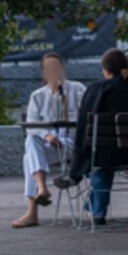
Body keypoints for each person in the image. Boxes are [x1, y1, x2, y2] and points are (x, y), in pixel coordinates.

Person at [67, 48, 128, 225]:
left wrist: (77, 162)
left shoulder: (97, 90)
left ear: (105, 70)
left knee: (101, 165)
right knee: (104, 159)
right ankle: (93, 208)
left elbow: (84, 124)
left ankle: (98, 212)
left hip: (104, 154)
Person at [11, 51, 86, 229]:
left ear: (62, 69)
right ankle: (42, 188)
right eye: (49, 68)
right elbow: (31, 125)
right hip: (49, 148)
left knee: (28, 157)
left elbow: (86, 117)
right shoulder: (37, 96)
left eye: (56, 67)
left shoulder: (77, 90)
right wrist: (47, 135)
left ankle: (32, 211)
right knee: (31, 143)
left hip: (70, 146)